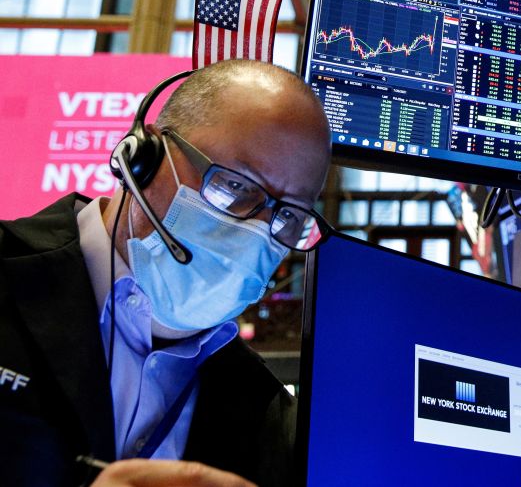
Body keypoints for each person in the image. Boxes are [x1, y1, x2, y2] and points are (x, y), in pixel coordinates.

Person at [0, 60, 333, 487]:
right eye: (234, 186)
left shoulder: (272, 419)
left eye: (287, 216)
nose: (254, 230)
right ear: (143, 156)